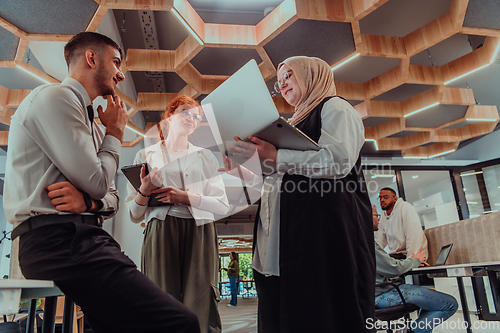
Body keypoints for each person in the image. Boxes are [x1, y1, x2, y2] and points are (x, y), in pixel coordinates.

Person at [4, 32, 200, 333]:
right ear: (91, 58)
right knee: (181, 322)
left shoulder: (95, 126)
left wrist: (89, 203)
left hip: (84, 238)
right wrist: (116, 135)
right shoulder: (56, 98)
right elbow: (99, 182)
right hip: (58, 241)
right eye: (116, 62)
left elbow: (110, 198)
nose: (121, 74)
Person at [223, 56, 374, 332]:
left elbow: (338, 160)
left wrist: (276, 156)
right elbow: (279, 179)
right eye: (279, 81)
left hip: (323, 240)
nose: (282, 85)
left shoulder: (335, 108)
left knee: (323, 315)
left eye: (289, 75)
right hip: (282, 242)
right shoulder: (289, 124)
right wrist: (247, 167)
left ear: (311, 74)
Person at [126, 96, 229, 333]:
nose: (191, 119)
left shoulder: (205, 157)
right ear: (169, 115)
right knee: (160, 297)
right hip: (160, 229)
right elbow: (134, 215)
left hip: (200, 231)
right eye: (185, 112)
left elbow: (222, 205)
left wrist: (183, 197)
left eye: (196, 117)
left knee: (201, 300)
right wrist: (144, 189)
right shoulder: (146, 156)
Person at [372, 205, 458, 333]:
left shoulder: (357, 241)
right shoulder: (367, 243)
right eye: (376, 215)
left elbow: (388, 266)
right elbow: (393, 268)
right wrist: (416, 260)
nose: (379, 219)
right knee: (450, 304)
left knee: (431, 303)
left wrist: (412, 262)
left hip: (377, 293)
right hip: (383, 294)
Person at [376, 187, 428, 259]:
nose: (382, 200)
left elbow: (413, 236)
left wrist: (413, 260)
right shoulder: (383, 217)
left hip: (409, 255)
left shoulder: (405, 208)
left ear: (395, 199)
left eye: (385, 197)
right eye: (380, 198)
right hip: (396, 255)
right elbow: (379, 241)